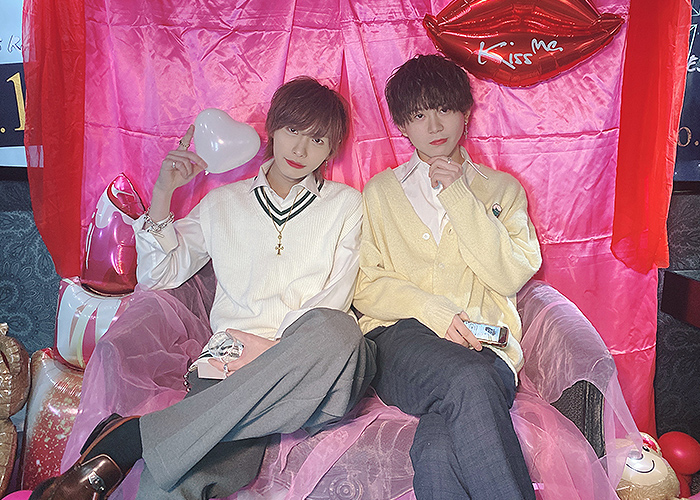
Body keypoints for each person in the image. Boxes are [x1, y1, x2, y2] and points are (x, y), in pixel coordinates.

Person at [33, 77, 376, 500]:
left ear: (331, 149)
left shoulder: (345, 205)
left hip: (312, 365)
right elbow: (159, 276)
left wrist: (273, 357)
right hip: (231, 363)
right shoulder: (222, 204)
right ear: (273, 127)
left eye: (318, 140)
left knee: (339, 332)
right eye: (293, 131)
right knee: (183, 477)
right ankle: (167, 437)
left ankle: (133, 438)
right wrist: (164, 192)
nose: (301, 150)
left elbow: (335, 298)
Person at [353, 54, 542, 499]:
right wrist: (434, 312)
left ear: (465, 112)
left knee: (437, 450)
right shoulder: (381, 192)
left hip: (485, 346)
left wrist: (459, 195)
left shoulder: (502, 189)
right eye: (419, 115)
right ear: (402, 125)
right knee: (469, 382)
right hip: (401, 343)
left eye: (444, 109)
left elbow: (510, 274)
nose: (434, 125)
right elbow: (365, 285)